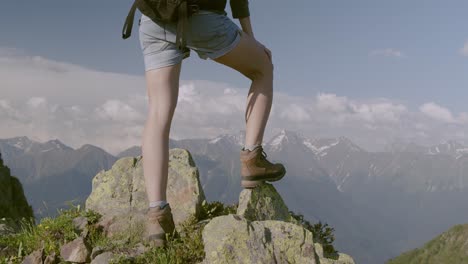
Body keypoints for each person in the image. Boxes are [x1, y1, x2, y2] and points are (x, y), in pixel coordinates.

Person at [138, 0, 286, 247]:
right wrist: (252, 39)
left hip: (152, 19)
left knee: (157, 113)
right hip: (201, 17)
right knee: (263, 67)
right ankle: (252, 159)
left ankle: (157, 215)